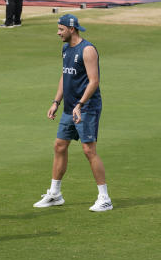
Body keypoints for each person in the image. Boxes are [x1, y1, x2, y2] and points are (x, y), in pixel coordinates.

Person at [33, 14, 112, 212]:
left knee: (88, 150)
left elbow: (94, 81)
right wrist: (55, 101)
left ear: (72, 29)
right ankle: (55, 194)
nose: (58, 32)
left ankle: (105, 198)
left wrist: (80, 104)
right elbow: (64, 75)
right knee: (60, 146)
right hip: (70, 107)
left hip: (87, 107)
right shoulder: (65, 48)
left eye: (61, 29)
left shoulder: (88, 50)